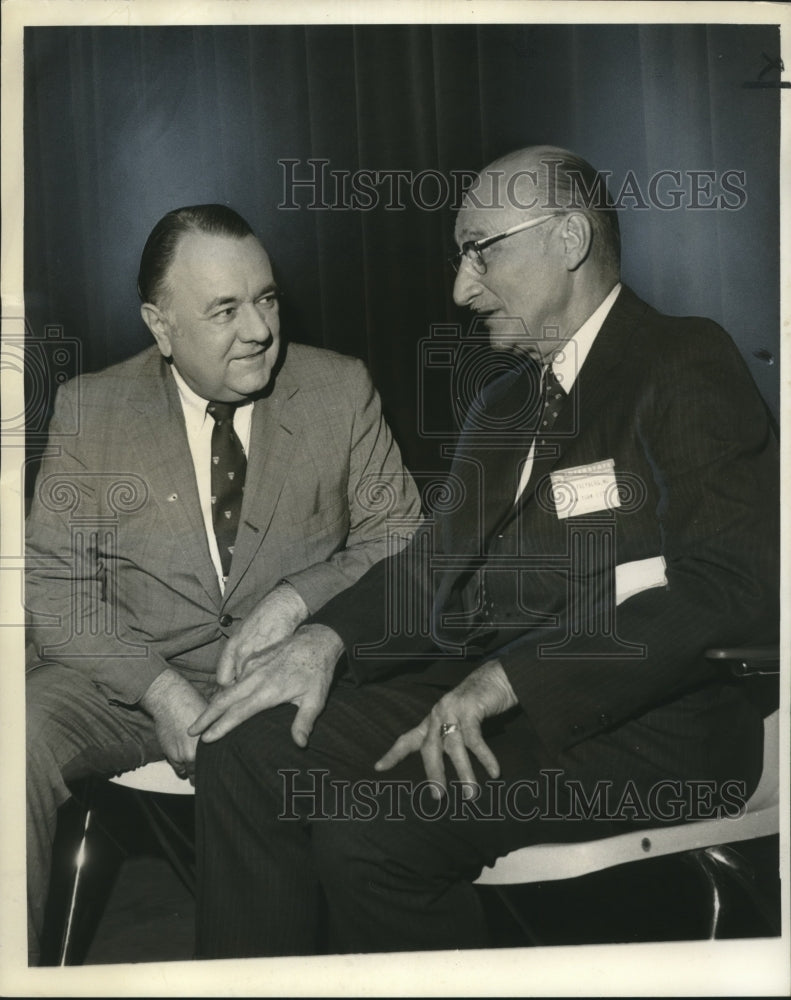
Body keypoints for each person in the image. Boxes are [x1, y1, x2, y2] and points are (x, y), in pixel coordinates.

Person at [191, 147, 779, 957]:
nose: (460, 289)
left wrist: (508, 681)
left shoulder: (682, 361)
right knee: (243, 750)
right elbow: (431, 564)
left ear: (568, 238)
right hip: (489, 708)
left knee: (371, 831)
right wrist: (324, 639)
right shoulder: (503, 401)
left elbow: (730, 588)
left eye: (481, 251)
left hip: (645, 735)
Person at [24, 204, 421, 964]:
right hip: (131, 683)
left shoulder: (338, 390)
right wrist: (159, 690)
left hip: (290, 681)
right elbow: (57, 588)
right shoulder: (90, 411)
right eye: (225, 310)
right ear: (160, 325)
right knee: (14, 740)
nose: (260, 330)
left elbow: (401, 541)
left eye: (266, 298)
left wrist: (298, 598)